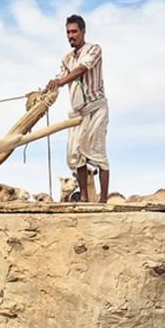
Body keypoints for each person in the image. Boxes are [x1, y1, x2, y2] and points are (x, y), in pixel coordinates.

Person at [44, 14, 109, 202]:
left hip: (96, 107)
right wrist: (45, 91)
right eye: (68, 32)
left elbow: (81, 69)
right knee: (75, 153)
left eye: (74, 32)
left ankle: (103, 200)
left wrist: (60, 82)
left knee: (97, 151)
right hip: (78, 111)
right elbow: (60, 77)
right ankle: (84, 198)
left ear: (82, 32)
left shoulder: (94, 49)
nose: (70, 36)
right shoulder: (66, 58)